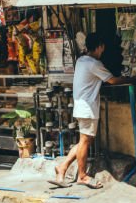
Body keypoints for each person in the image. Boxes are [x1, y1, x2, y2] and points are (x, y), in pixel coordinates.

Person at [50, 33, 129, 190]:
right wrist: (132, 79)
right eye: (102, 47)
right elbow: (112, 80)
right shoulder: (93, 63)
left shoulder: (81, 61)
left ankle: (63, 167)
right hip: (87, 108)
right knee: (85, 141)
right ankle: (82, 176)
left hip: (81, 106)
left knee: (84, 141)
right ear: (99, 46)